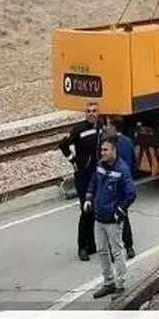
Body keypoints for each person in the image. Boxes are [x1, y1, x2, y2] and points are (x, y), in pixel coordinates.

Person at [85, 136, 136, 299]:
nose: (102, 153)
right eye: (102, 150)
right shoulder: (100, 165)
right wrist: (88, 197)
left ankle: (120, 285)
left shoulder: (122, 169)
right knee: (101, 250)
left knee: (117, 251)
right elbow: (94, 181)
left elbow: (131, 194)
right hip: (99, 217)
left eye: (105, 150)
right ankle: (108, 282)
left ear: (114, 150)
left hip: (113, 220)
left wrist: (119, 211)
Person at [59, 102, 102, 261]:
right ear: (85, 113)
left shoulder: (101, 127)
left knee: (94, 211)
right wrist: (73, 161)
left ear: (98, 113)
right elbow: (63, 145)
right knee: (86, 210)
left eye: (94, 111)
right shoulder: (78, 129)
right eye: (88, 111)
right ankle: (82, 248)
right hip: (83, 176)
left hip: (97, 175)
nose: (91, 113)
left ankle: (91, 244)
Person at [110, 118, 137, 260]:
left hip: (113, 183)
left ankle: (115, 250)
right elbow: (134, 162)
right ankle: (129, 246)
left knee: (111, 218)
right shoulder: (128, 141)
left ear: (114, 128)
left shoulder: (111, 144)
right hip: (125, 182)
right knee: (124, 214)